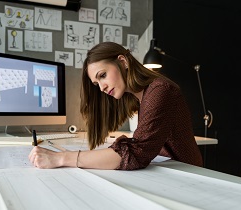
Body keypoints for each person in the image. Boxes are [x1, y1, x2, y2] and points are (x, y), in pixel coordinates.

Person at [29, 42, 203, 170]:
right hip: (165, 170)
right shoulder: (138, 97)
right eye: (97, 83)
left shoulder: (160, 90)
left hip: (189, 175)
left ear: (123, 62)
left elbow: (135, 154)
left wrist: (61, 158)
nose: (102, 87)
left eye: (102, 75)